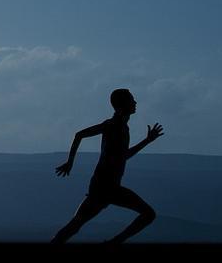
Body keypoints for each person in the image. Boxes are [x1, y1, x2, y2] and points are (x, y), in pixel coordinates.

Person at [50, 88, 163, 245]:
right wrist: (70, 162)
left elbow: (123, 157)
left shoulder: (121, 127)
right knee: (148, 214)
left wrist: (147, 141)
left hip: (103, 186)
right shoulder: (112, 125)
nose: (135, 103)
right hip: (106, 187)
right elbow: (79, 134)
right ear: (122, 105)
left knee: (75, 226)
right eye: (131, 100)